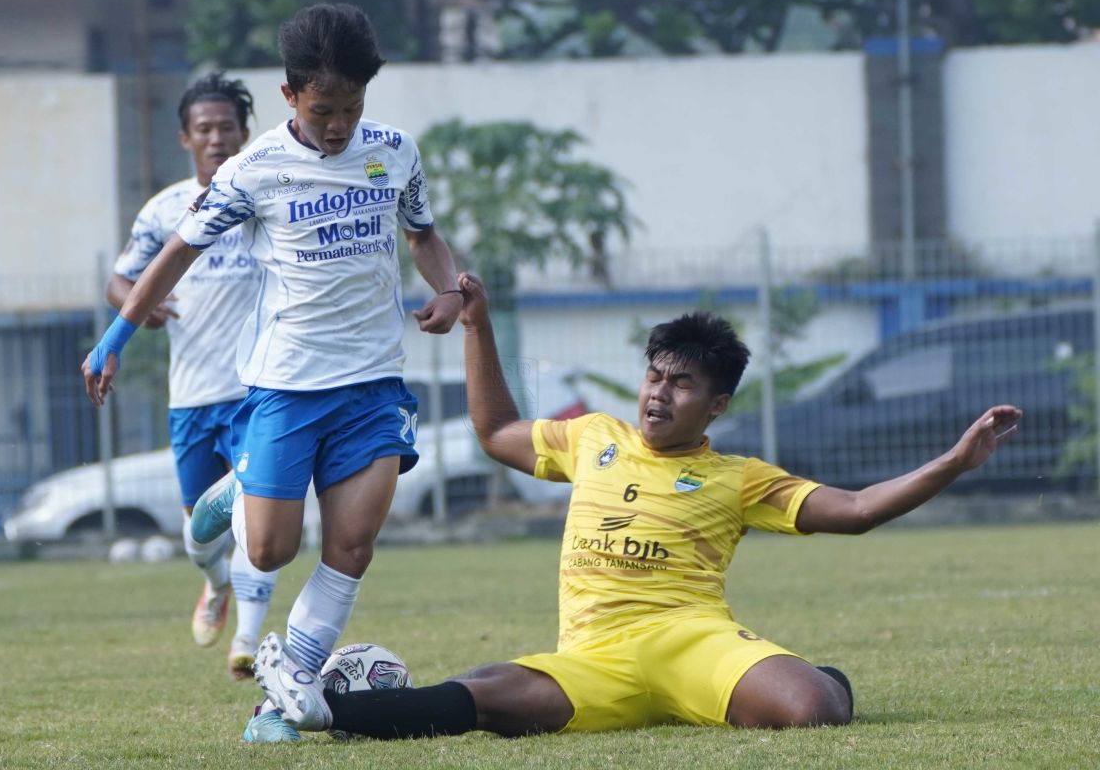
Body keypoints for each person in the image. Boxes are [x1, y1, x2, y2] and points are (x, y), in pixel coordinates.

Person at [242, 272, 1023, 741]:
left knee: (816, 707)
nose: (659, 392)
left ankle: (811, 676)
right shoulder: (593, 439)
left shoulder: (740, 477)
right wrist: (477, 327)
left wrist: (955, 460)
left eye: (681, 384)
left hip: (691, 640)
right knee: (482, 695)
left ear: (714, 405)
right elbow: (498, 432)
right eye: (655, 374)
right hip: (594, 655)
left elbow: (854, 509)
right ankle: (323, 713)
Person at [82, 3, 462, 722]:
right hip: (285, 388)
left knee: (352, 546)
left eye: (350, 107)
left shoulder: (394, 152)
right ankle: (241, 490)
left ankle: (280, 702)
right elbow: (176, 255)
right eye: (322, 110)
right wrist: (113, 340)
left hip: (374, 383)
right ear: (290, 96)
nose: (338, 125)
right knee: (272, 547)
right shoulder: (254, 168)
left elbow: (423, 235)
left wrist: (447, 288)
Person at [105, 72, 279, 679]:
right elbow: (118, 280)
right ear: (185, 137)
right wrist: (138, 304)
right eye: (204, 129)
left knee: (258, 515)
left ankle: (249, 642)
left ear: (244, 133)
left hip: (258, 393)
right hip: (191, 400)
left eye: (226, 127)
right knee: (199, 536)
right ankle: (214, 585)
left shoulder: (264, 195)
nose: (216, 138)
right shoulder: (163, 210)